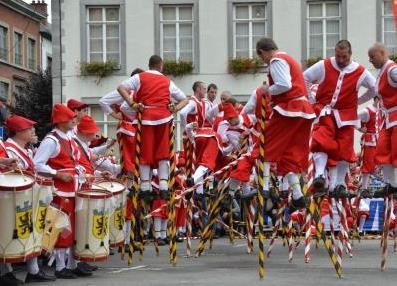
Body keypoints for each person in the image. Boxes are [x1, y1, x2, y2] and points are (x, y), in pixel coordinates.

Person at [304, 40, 376, 198]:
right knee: (320, 140)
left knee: (345, 148)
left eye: (344, 57)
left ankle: (338, 184)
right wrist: (311, 100)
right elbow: (305, 78)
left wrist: (358, 101)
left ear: (350, 54)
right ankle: (320, 175)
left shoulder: (360, 71)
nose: (341, 60)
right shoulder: (324, 65)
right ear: (334, 52)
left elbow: (374, 88)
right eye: (338, 56)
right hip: (325, 110)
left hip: (346, 114)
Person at [117, 55, 187, 203]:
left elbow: (120, 88)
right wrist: (175, 108)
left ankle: (145, 187)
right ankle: (163, 186)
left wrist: (132, 103)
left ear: (149, 65)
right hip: (164, 119)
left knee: (145, 152)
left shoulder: (139, 77)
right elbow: (185, 99)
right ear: (161, 66)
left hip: (146, 118)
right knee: (163, 152)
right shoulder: (167, 81)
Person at [34, 104, 92, 279]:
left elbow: (74, 164)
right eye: (71, 118)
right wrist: (57, 174)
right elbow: (37, 164)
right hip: (60, 192)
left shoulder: (68, 138)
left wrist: (84, 175)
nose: (75, 120)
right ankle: (60, 267)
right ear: (61, 121)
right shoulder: (51, 141)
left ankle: (70, 264)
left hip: (72, 189)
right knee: (61, 229)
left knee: (71, 230)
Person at [256, 37, 315, 208]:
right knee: (289, 154)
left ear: (263, 52)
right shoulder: (289, 59)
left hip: (290, 108)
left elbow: (284, 84)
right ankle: (297, 195)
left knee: (267, 142)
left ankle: (264, 186)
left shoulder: (276, 60)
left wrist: (268, 90)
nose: (264, 61)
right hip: (303, 110)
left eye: (262, 57)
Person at [365, 43, 397, 197]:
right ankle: (393, 185)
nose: (370, 60)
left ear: (383, 53)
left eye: (372, 56)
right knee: (382, 152)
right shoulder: (383, 72)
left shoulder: (392, 70)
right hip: (388, 119)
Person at [358, 96, 380, 198]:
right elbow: (352, 117)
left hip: (379, 140)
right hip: (369, 140)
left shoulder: (382, 111)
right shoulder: (367, 110)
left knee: (378, 164)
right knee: (367, 164)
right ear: (375, 99)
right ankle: (363, 188)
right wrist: (359, 128)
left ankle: (390, 185)